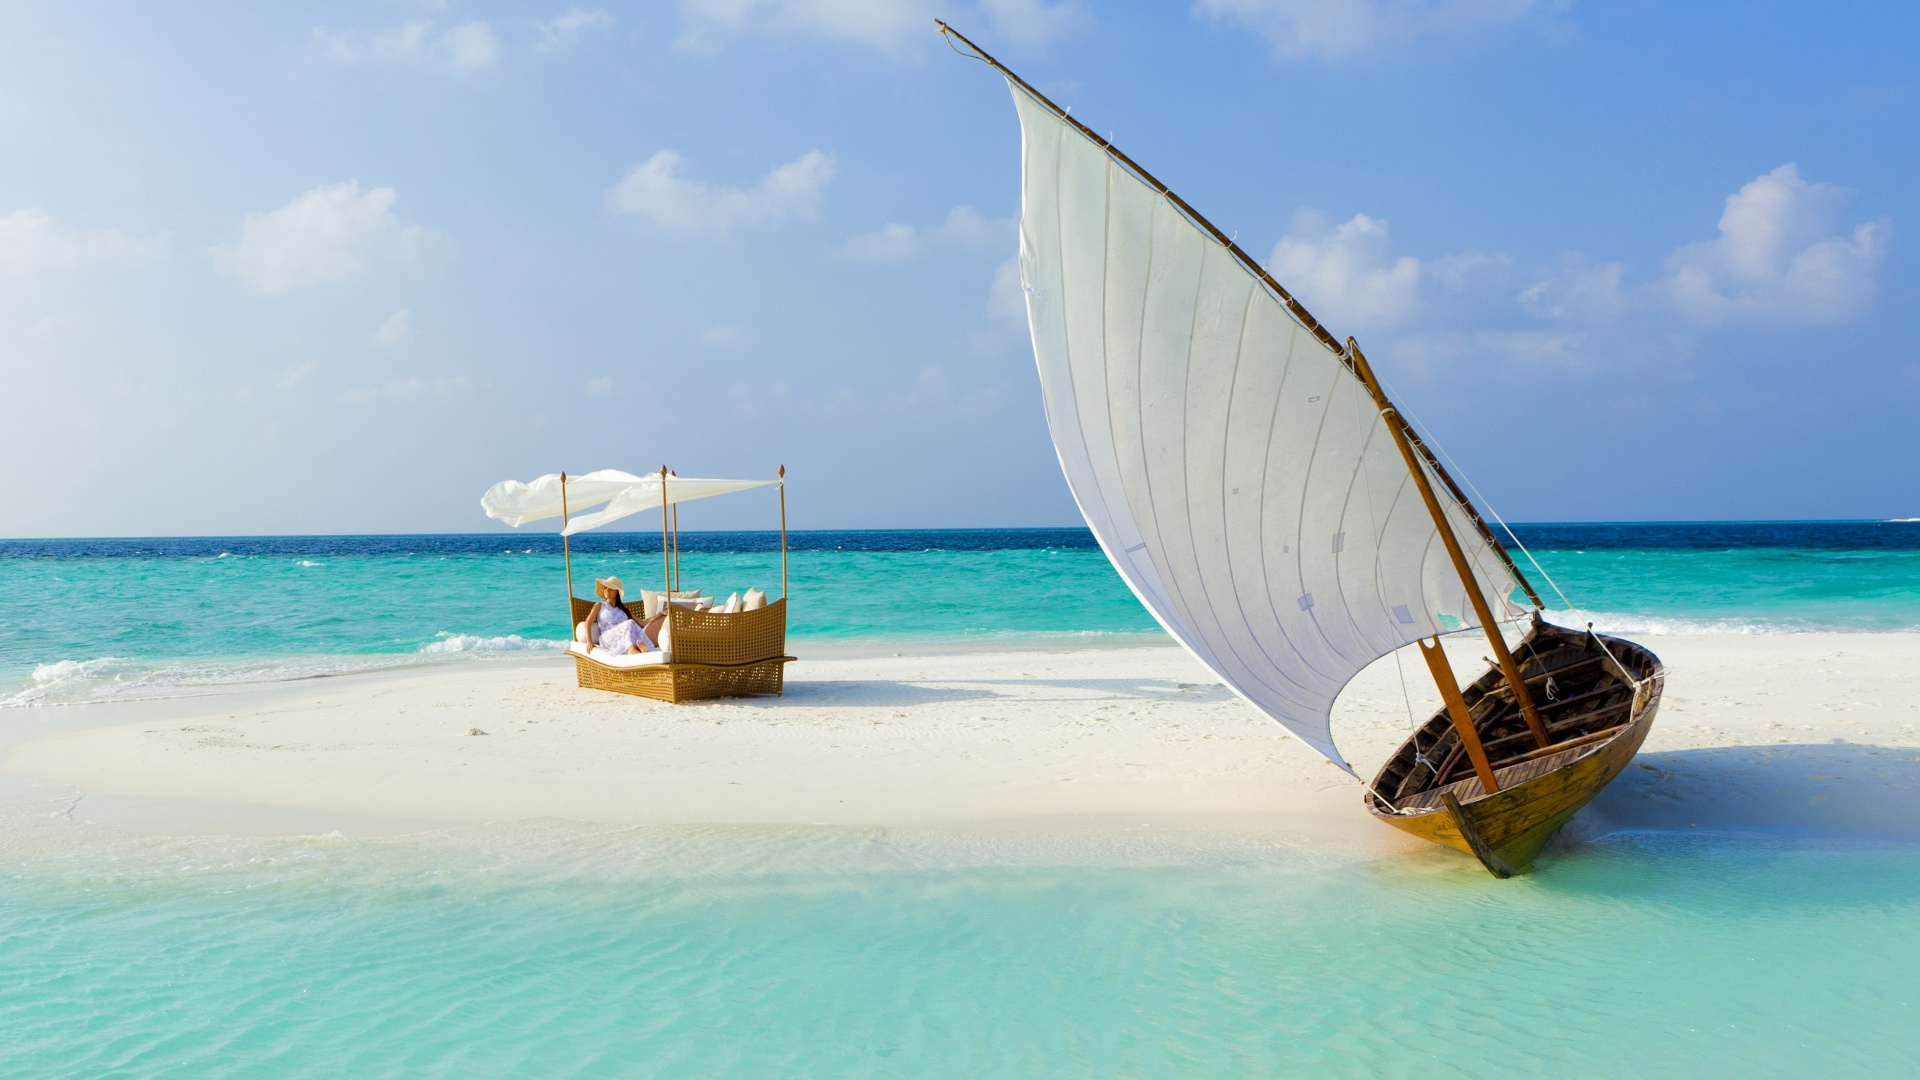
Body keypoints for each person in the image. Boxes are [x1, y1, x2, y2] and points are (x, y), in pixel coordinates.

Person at [585, 576, 668, 655]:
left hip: (622, 639)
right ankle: (631, 649)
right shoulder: (600, 605)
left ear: (617, 591)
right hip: (607, 638)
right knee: (630, 622)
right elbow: (588, 622)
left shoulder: (623, 610)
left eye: (610, 588)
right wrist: (589, 641)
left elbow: (643, 623)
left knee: (632, 625)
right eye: (605, 588)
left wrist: (659, 614)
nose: (606, 590)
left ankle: (639, 649)